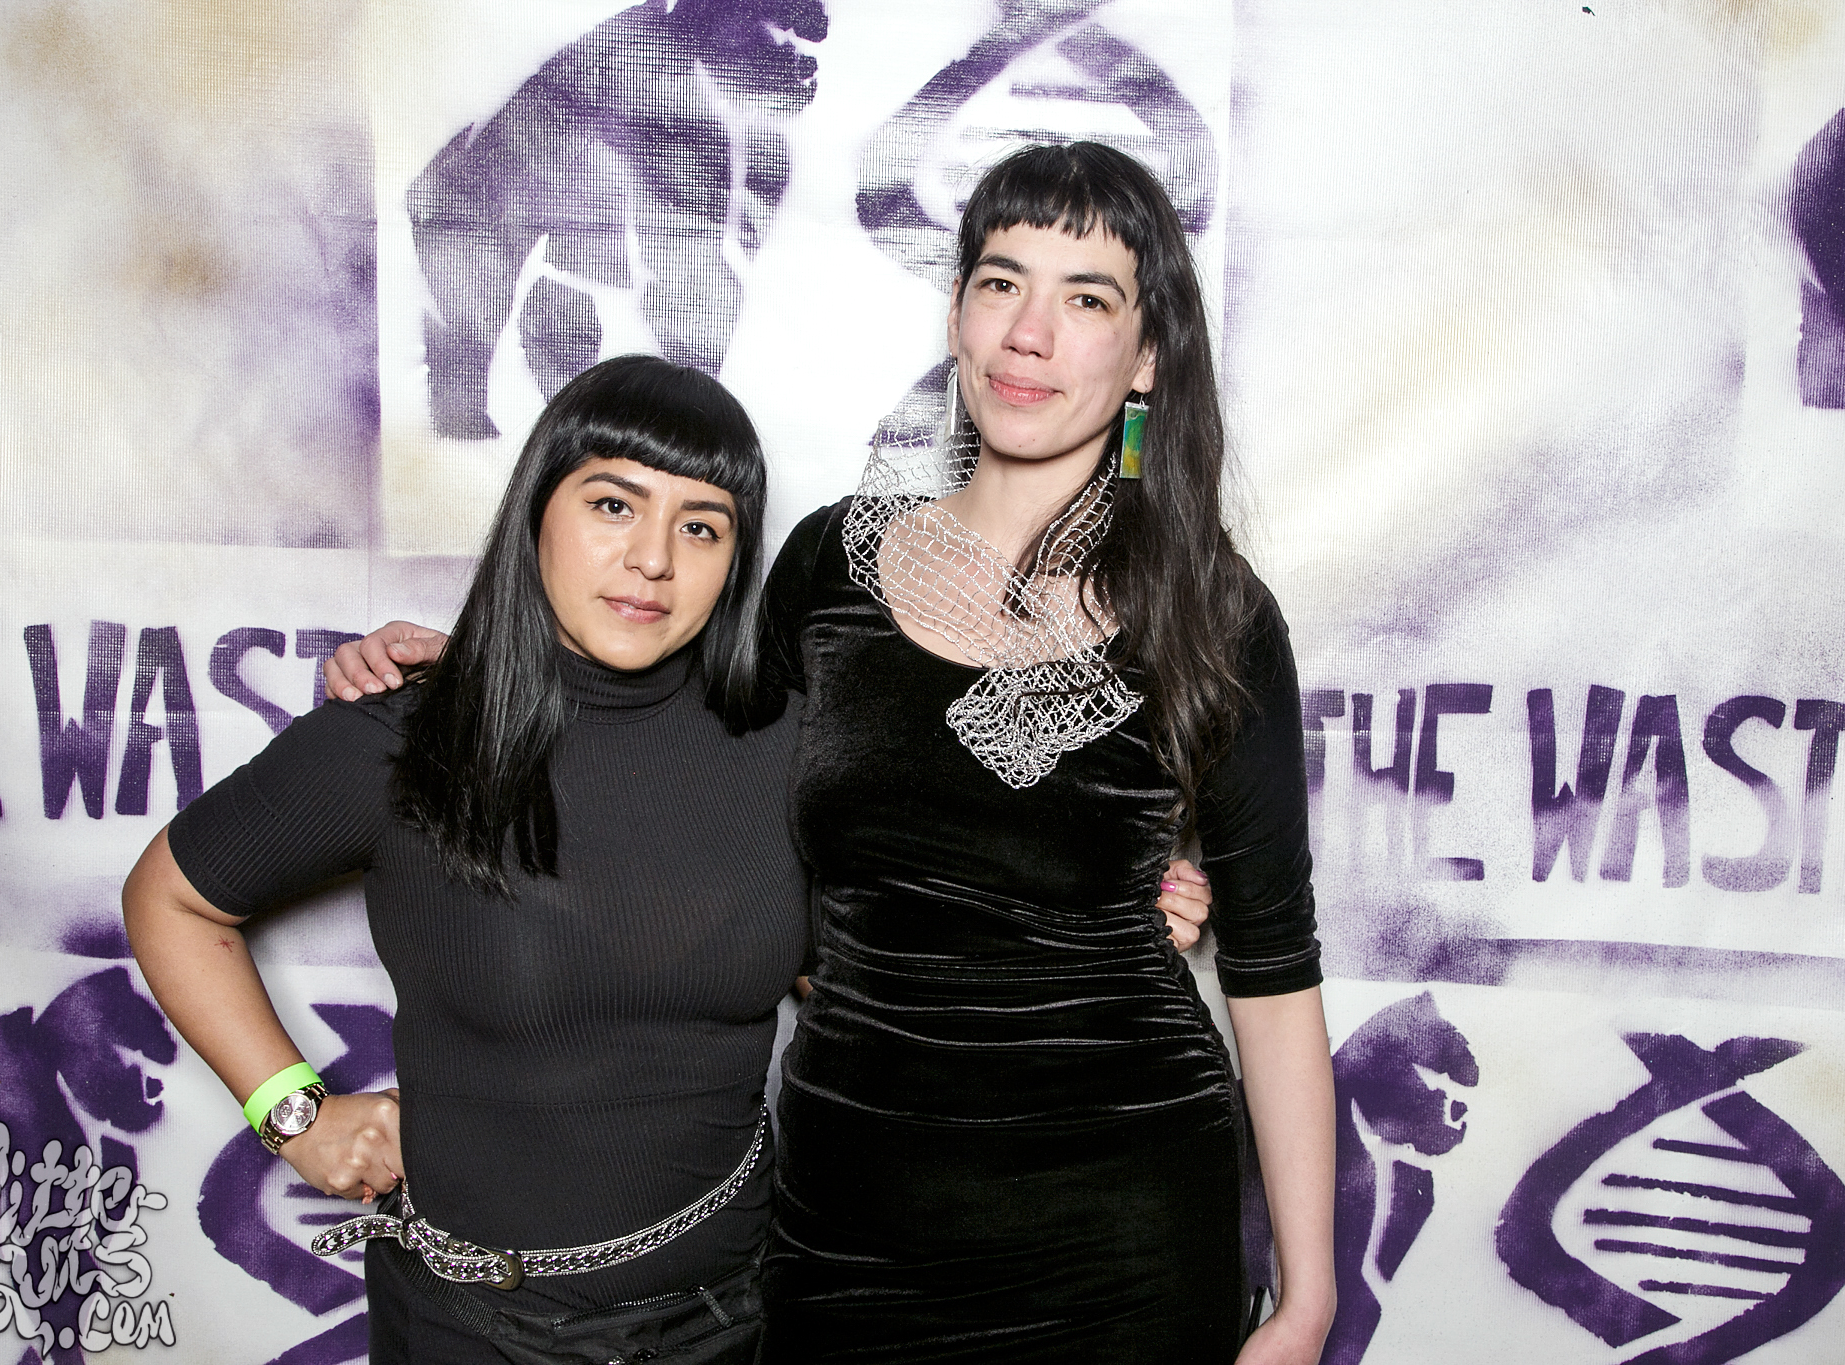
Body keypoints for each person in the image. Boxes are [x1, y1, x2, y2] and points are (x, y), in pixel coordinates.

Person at [337, 141, 1335, 1365]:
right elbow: (676, 754)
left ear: (1146, 357)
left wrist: (1308, 1299)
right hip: (847, 1217)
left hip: (1122, 1223)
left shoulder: (1211, 614)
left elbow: (1273, 968)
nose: (1028, 334)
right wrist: (494, 657)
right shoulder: (828, 566)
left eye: (1085, 299)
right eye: (999, 282)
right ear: (956, 313)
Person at [132, 353, 1215, 1364]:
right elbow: (171, 899)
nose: (652, 559)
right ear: (538, 511)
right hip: (476, 1327)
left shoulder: (785, 741)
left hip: (742, 1318)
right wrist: (295, 1115)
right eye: (613, 505)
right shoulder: (403, 741)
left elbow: (881, 941)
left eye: (701, 526)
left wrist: (1088, 911)